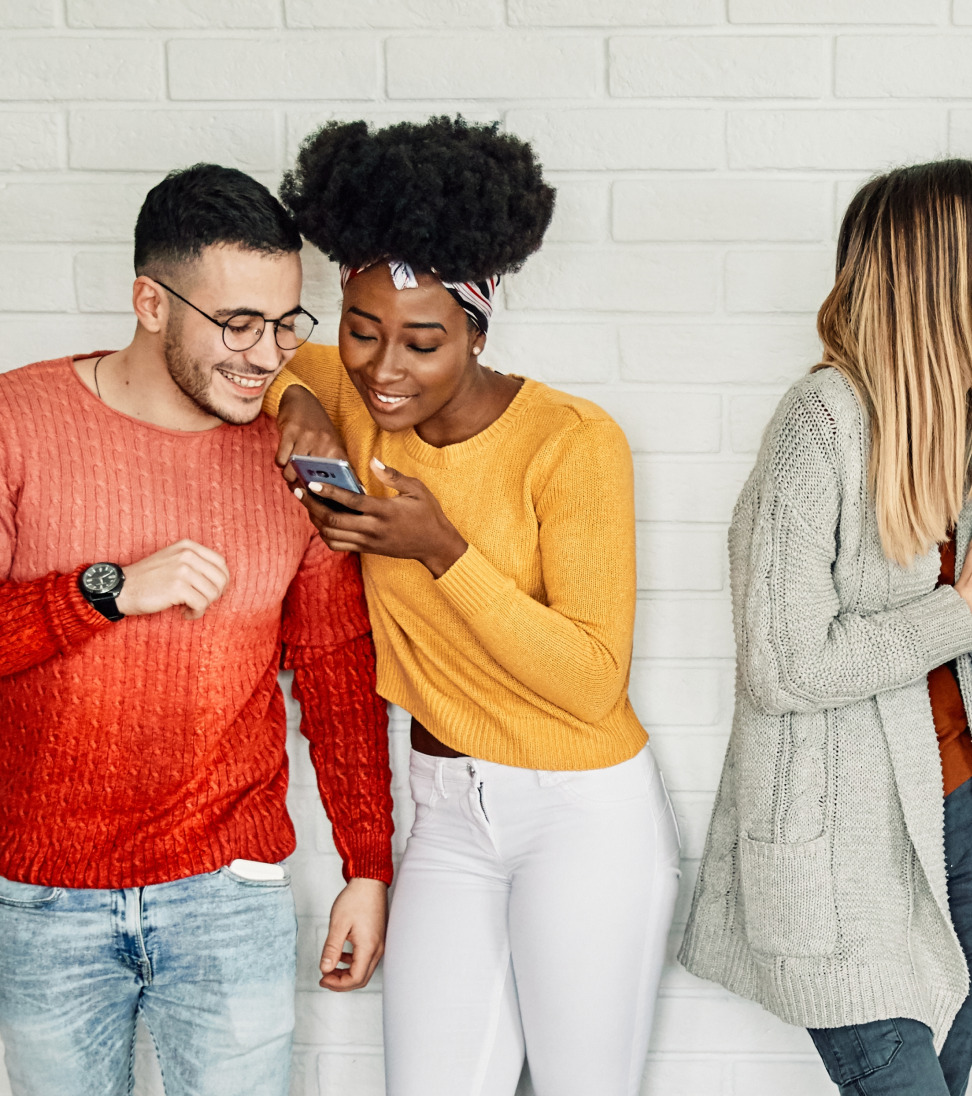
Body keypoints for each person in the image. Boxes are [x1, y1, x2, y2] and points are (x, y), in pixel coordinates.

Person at [0, 164, 395, 1096]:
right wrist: (105, 591)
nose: (265, 352)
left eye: (285, 323)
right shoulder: (1, 424)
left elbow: (333, 668)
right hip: (41, 898)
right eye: (237, 323)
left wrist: (368, 864)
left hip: (229, 895)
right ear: (149, 303)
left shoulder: (298, 454)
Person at [267, 116, 680, 1096]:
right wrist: (297, 403)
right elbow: (289, 363)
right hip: (447, 815)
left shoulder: (573, 441)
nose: (383, 368)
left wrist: (441, 548)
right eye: (360, 330)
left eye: (423, 342)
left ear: (478, 330)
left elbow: (590, 681)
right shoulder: (351, 389)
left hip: (578, 815)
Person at [680, 159, 972, 1096]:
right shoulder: (822, 423)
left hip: (960, 822)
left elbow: (962, 669)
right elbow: (783, 665)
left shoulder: (971, 422)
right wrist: (966, 603)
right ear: (940, 269)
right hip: (842, 853)